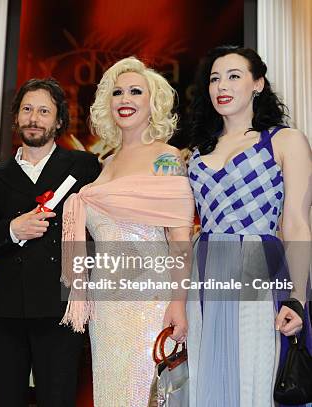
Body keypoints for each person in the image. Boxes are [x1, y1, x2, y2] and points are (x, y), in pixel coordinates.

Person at [59, 57, 194, 406]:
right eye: (117, 92)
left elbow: (180, 241)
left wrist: (178, 303)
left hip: (150, 297)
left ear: (154, 103)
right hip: (106, 307)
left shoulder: (166, 157)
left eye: (136, 91)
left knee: (145, 393)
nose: (125, 98)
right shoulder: (104, 165)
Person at [186, 45, 311, 406]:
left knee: (255, 375)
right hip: (204, 269)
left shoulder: (285, 141)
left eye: (234, 76)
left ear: (258, 84)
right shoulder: (196, 152)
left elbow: (298, 225)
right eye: (214, 79)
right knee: (203, 376)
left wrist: (299, 299)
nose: (221, 86)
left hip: (260, 265)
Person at [0, 78, 101, 407]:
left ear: (58, 121)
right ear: (16, 118)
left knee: (57, 399)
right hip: (6, 310)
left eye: (44, 111)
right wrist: (13, 229)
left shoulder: (82, 167)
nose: (34, 118)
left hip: (60, 305)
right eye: (27, 110)